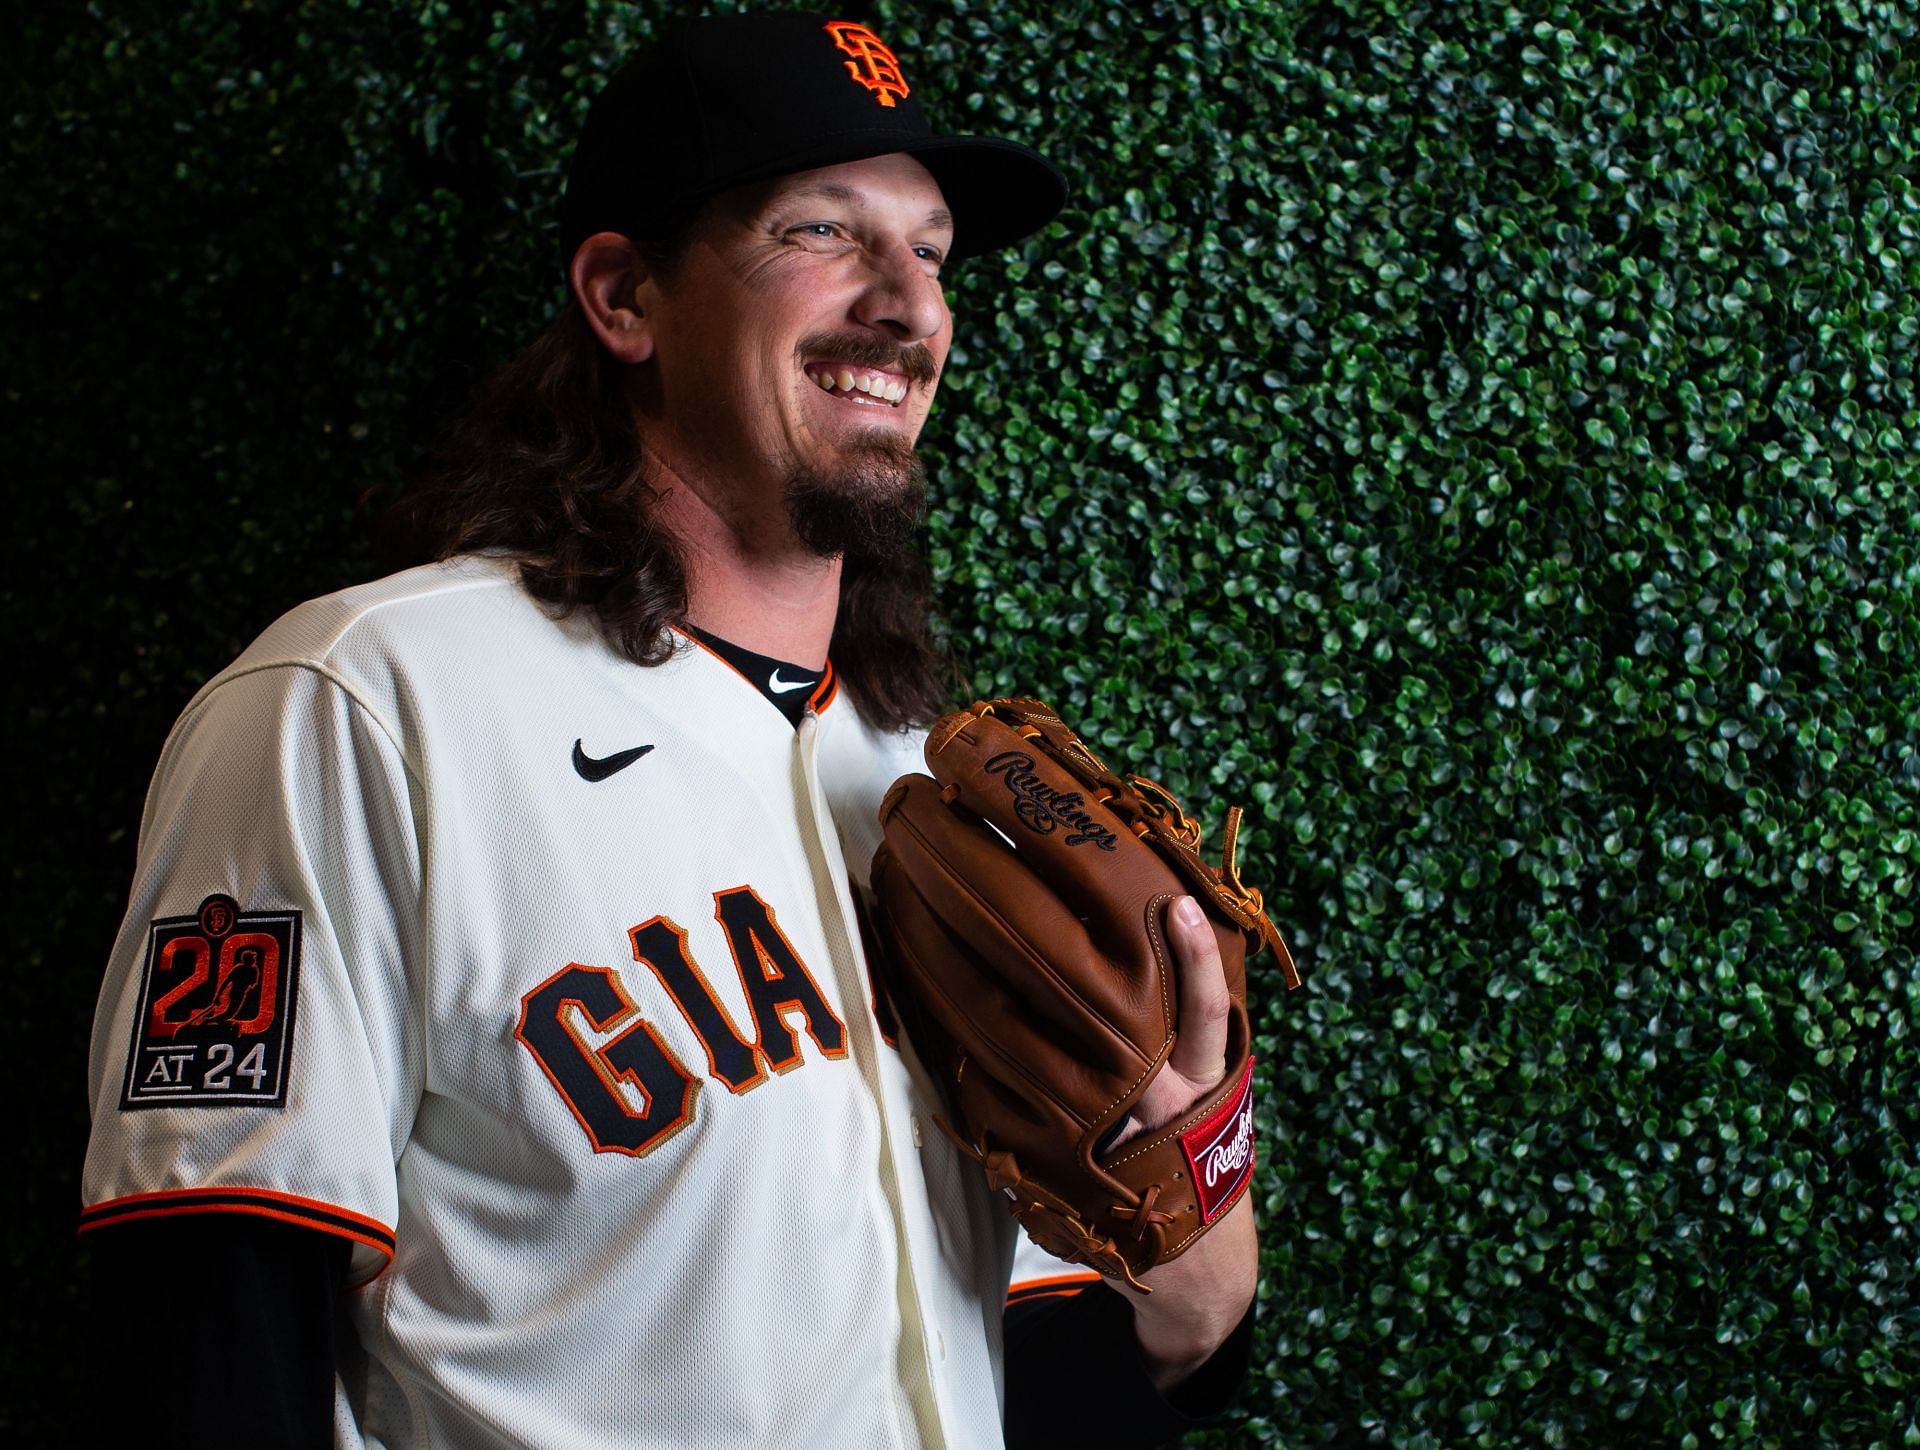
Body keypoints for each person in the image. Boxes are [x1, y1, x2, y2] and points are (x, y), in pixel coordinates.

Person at [80, 13, 1257, 1446]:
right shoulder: (363, 706)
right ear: (625, 295)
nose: (908, 304)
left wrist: (1194, 1218)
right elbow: (202, 1328)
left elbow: (1066, 1368)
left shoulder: (933, 790)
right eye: (821, 228)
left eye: (931, 249)